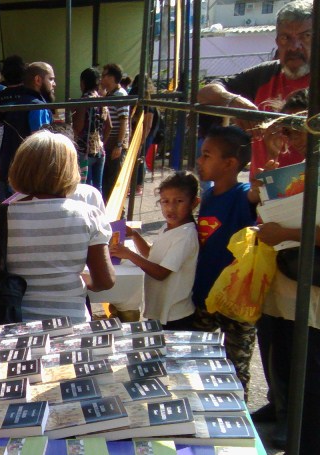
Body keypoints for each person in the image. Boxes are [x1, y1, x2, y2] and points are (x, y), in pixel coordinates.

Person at [0, 131, 115, 322]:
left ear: (20, 167)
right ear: (71, 170)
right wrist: (76, 280)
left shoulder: (0, 217)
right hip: (71, 324)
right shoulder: (90, 216)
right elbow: (105, 280)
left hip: (15, 323)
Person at [257, 90, 320, 455]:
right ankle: (294, 448)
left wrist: (287, 233)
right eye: (287, 129)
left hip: (312, 293)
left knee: (312, 378)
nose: (291, 137)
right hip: (285, 285)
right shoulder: (288, 166)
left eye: (299, 129)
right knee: (285, 368)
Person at [198, 0, 313, 173]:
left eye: (306, 36)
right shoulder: (264, 74)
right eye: (285, 37)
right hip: (263, 192)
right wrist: (233, 101)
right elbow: (204, 93)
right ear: (277, 41)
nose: (294, 46)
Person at [192, 125, 258, 392]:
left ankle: (238, 427)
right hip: (206, 295)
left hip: (237, 299)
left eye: (207, 155)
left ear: (230, 163)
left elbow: (257, 192)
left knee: (235, 370)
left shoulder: (243, 195)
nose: (199, 160)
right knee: (197, 361)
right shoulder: (207, 196)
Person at [109, 171, 200, 329]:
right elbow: (152, 255)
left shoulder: (185, 235)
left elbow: (160, 273)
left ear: (194, 203)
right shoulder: (167, 228)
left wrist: (129, 254)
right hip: (159, 309)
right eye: (165, 201)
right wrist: (135, 235)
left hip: (174, 314)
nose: (171, 207)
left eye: (179, 201)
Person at [0, 61, 54, 196]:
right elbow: (40, 145)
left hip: (9, 170)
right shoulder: (37, 107)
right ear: (38, 80)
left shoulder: (17, 103)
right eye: (51, 79)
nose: (54, 84)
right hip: (28, 176)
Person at [72, 67, 109, 194]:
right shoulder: (101, 100)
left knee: (85, 189)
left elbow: (78, 127)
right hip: (100, 151)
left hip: (85, 151)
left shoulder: (84, 101)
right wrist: (102, 141)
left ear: (83, 82)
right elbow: (109, 126)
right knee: (98, 188)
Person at [100, 63, 130, 199]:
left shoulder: (120, 94)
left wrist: (119, 145)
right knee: (107, 180)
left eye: (104, 75)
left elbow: (124, 120)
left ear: (112, 77)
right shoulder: (110, 94)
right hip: (109, 142)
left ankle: (118, 216)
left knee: (113, 182)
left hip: (115, 144)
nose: (101, 79)